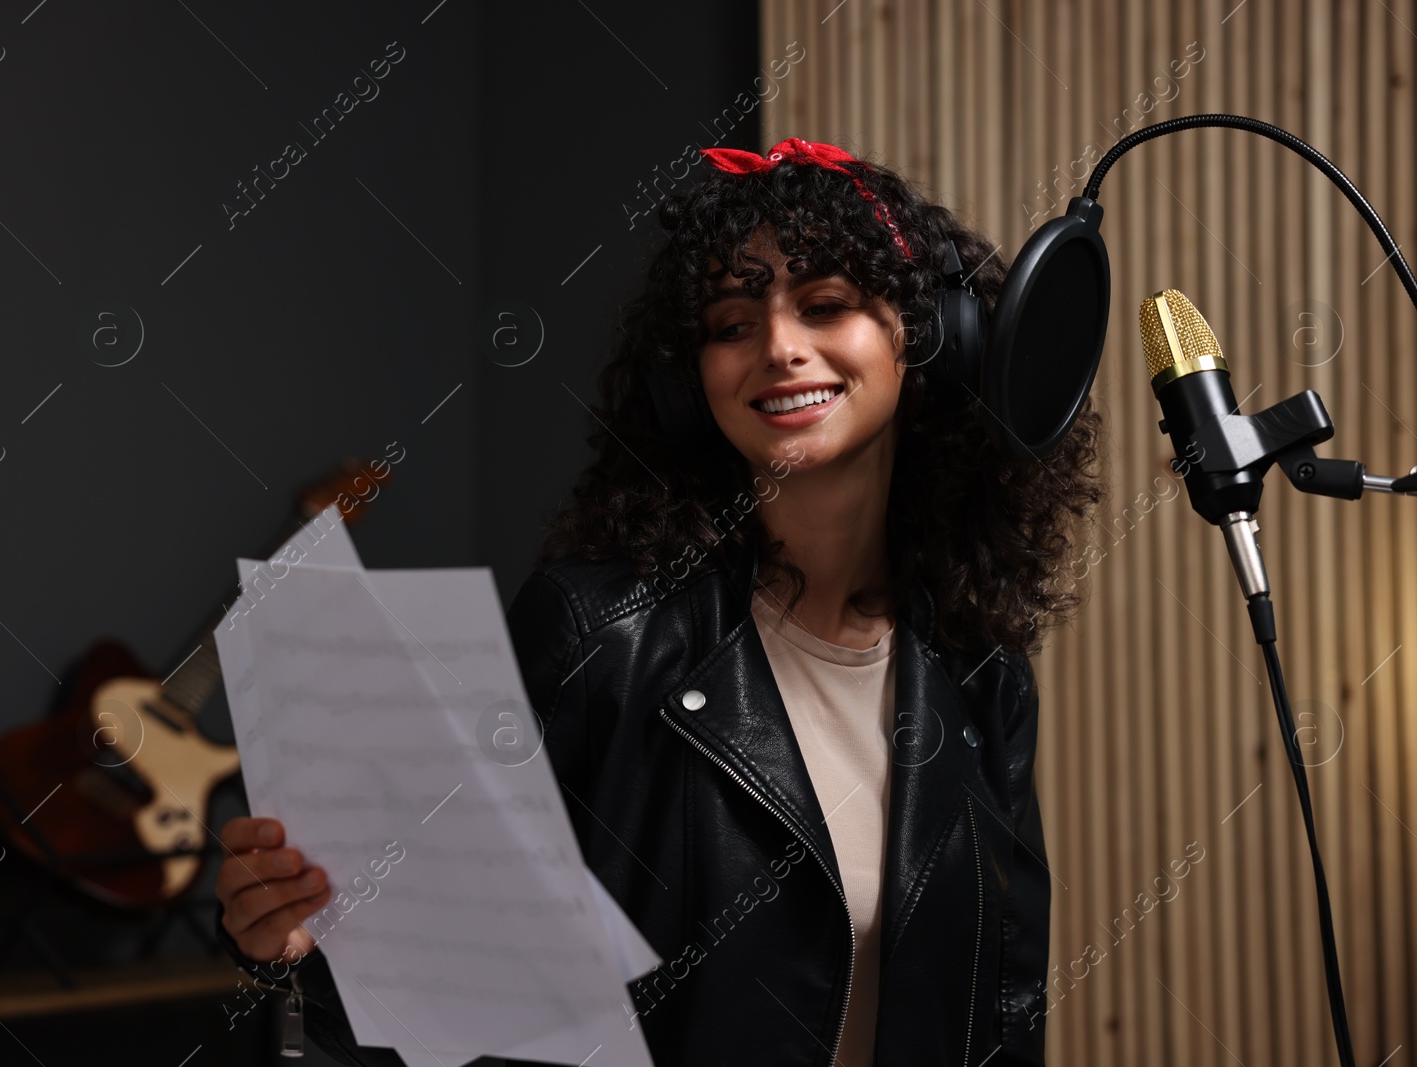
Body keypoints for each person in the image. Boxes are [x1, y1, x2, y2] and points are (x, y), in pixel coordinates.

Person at [214, 136, 1103, 1066]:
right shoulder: (600, 634)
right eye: (730, 324)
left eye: (827, 305)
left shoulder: (977, 669)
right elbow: (434, 971)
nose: (780, 347)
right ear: (691, 385)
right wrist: (295, 944)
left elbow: (1005, 1001)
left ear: (929, 339)